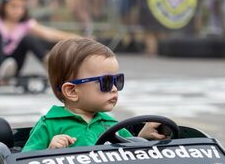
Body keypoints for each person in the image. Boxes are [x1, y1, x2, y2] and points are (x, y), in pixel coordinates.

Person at [22, 38, 163, 151]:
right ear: (72, 91)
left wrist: (142, 138)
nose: (114, 88)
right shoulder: (49, 125)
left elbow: (130, 152)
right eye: (106, 82)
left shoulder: (111, 125)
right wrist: (50, 152)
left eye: (117, 80)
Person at [0, 0, 79, 85]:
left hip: (14, 63)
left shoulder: (25, 23)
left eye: (21, 7)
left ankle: (51, 67)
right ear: (4, 6)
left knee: (28, 39)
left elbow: (48, 33)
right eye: (13, 6)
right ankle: (1, 71)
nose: (18, 11)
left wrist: (76, 38)